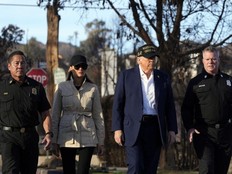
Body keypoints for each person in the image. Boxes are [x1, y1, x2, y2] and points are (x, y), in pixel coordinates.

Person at [112, 44, 178, 174]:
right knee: (135, 166)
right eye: (148, 58)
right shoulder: (126, 76)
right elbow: (118, 104)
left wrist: (172, 129)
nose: (151, 61)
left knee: (150, 168)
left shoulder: (162, 77)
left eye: (153, 58)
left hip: (155, 128)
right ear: (139, 59)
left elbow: (169, 106)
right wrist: (117, 129)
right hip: (133, 128)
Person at [181, 46, 232, 174]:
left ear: (219, 60)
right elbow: (186, 108)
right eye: (208, 59)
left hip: (225, 134)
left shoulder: (228, 81)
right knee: (207, 169)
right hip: (203, 133)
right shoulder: (195, 83)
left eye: (214, 59)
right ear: (203, 61)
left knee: (221, 170)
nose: (211, 62)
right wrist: (190, 128)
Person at [0, 50, 52, 174]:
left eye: (22, 63)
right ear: (9, 66)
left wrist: (48, 133)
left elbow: (45, 113)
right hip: (8, 138)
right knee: (10, 171)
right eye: (16, 63)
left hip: (30, 137)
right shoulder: (2, 87)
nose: (20, 66)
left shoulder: (37, 87)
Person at [51, 54, 105, 174]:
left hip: (88, 134)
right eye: (77, 66)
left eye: (83, 66)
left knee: (83, 171)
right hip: (66, 135)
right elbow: (55, 114)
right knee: (68, 170)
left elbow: (98, 116)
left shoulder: (93, 88)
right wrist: (53, 140)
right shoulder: (61, 87)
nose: (81, 69)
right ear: (71, 68)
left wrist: (101, 141)